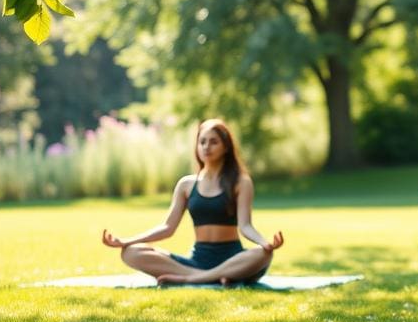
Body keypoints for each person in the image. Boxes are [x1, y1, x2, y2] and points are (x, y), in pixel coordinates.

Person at [102, 118, 284, 285]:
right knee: (130, 252)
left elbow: (245, 226)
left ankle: (194, 278)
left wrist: (265, 243)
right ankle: (207, 276)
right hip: (196, 261)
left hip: (233, 258)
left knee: (263, 254)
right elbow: (167, 228)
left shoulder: (241, 182)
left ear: (226, 147)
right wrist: (126, 241)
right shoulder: (186, 185)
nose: (206, 147)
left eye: (214, 142)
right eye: (202, 142)